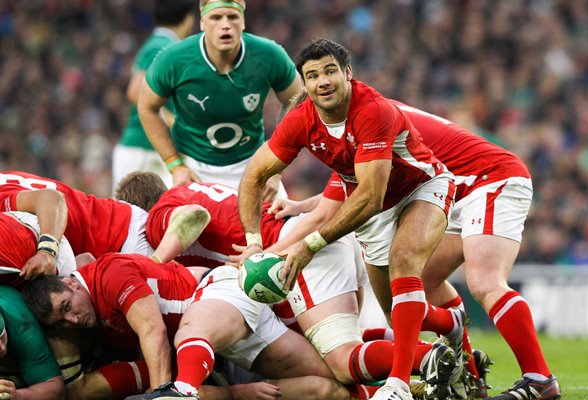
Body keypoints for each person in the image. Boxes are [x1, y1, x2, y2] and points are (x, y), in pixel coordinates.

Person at [267, 99, 561, 400]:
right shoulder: (360, 120)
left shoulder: (364, 124)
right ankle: (467, 372)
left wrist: (266, 254)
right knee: (424, 283)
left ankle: (539, 378)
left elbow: (329, 212)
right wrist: (298, 205)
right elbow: (343, 191)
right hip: (454, 188)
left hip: (488, 178)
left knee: (484, 282)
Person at [236, 38, 466, 400]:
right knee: (396, 311)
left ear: (347, 73)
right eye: (312, 76)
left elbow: (372, 195)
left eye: (330, 71)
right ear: (305, 84)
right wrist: (253, 241)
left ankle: (399, 386)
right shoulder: (300, 121)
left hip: (421, 186)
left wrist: (309, 244)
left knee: (403, 262)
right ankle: (449, 322)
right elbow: (253, 176)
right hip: (371, 207)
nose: (322, 81)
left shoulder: (371, 110)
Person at [115, 172, 465, 399]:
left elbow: (192, 216)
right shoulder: (195, 188)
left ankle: (425, 358)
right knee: (335, 355)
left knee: (340, 361)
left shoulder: (160, 211)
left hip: (295, 256)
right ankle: (437, 350)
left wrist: (155, 262)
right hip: (307, 247)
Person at [22, 253, 350, 400]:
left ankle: (175, 396)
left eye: (67, 307)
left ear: (72, 284)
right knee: (332, 382)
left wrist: (162, 392)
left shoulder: (108, 276)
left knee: (185, 346)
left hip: (216, 297)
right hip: (216, 345)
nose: (73, 320)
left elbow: (154, 331)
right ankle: (390, 379)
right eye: (61, 322)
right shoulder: (89, 309)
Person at [137, 0, 303, 200]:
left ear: (242, 22)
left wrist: (275, 168)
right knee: (168, 228)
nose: (225, 25)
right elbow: (146, 107)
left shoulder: (270, 55)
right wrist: (174, 165)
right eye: (216, 17)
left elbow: (298, 102)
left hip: (253, 164)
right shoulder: (172, 59)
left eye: (232, 17)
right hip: (192, 168)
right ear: (202, 23)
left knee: (285, 229)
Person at [0, 170, 210, 262]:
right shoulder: (6, 177)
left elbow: (50, 199)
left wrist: (47, 251)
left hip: (119, 241)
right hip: (118, 223)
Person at [112, 0, 196, 192]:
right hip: (145, 149)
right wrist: (170, 120)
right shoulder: (163, 47)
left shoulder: (156, 43)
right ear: (188, 19)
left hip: (146, 150)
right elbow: (135, 91)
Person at [0, 285, 64, 400]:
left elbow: (57, 390)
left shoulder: (24, 327)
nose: (0, 348)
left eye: (0, 336)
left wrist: (16, 396)